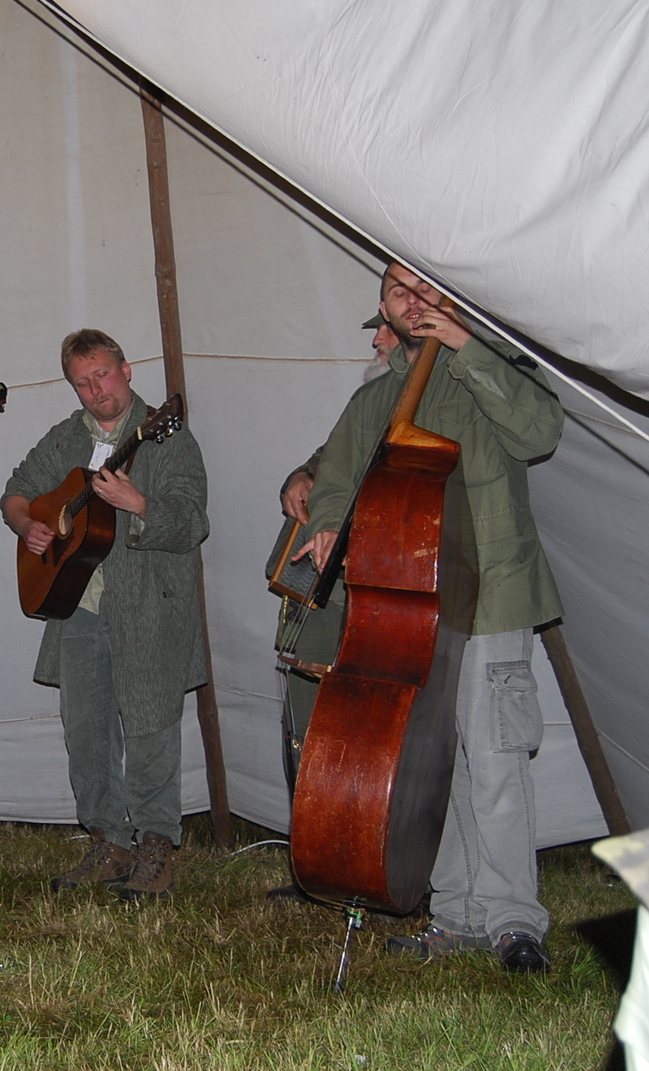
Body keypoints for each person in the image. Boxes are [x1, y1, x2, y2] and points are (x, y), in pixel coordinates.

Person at [296, 263, 565, 971]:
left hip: (493, 594)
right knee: (432, 762)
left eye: (422, 287)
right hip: (412, 607)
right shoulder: (376, 398)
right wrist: (328, 522)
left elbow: (539, 431)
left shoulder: (494, 364)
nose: (410, 300)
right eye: (396, 291)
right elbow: (335, 476)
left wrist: (468, 345)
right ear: (382, 310)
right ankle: (456, 913)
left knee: (495, 758)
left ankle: (513, 920)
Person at [2, 329, 209, 899]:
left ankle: (156, 846)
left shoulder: (167, 435)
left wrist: (137, 503)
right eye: (83, 383)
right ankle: (107, 841)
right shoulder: (66, 437)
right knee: (86, 733)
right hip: (79, 610)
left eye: (104, 375)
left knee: (150, 730)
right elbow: (16, 491)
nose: (97, 390)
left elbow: (193, 522)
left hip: (150, 608)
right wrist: (28, 524)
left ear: (127, 370)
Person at [263, 315, 400, 904]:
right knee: (308, 728)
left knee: (366, 738)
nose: (376, 340)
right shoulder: (369, 403)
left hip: (385, 596)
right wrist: (301, 475)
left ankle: (373, 867)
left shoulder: (435, 409)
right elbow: (330, 459)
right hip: (323, 588)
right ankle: (314, 865)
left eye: (387, 330)